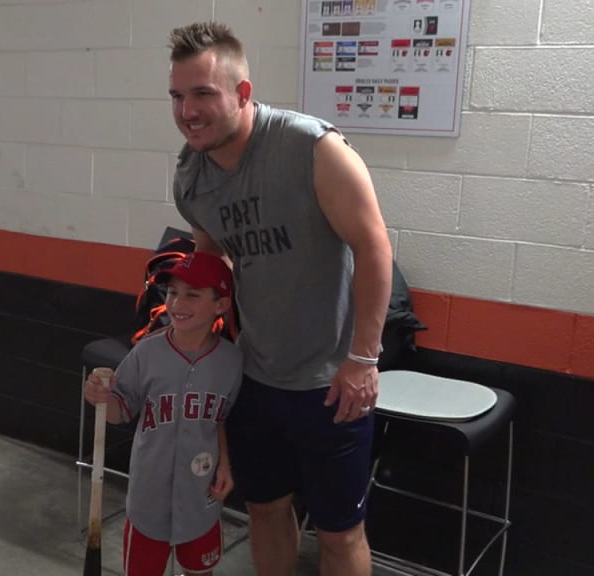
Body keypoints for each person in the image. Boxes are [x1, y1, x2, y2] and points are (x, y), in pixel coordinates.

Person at [167, 21, 393, 576]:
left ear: (242, 93)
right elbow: (212, 258)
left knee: (340, 534)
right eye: (177, 95)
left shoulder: (311, 148)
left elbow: (374, 247)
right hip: (254, 377)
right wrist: (189, 337)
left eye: (203, 93)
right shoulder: (191, 177)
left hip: (331, 382)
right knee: (265, 511)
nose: (186, 111)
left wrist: (363, 359)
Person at [84, 251, 243, 576]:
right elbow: (120, 410)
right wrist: (102, 399)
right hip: (148, 497)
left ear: (221, 305)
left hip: (201, 494)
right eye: (172, 293)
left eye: (192, 295)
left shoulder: (233, 361)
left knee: (200, 571)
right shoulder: (147, 353)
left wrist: (225, 463)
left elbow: (223, 419)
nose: (177, 303)